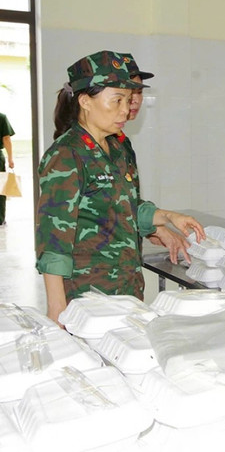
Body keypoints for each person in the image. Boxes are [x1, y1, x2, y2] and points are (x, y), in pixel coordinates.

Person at [36, 50, 205, 324]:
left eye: (127, 100)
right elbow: (53, 240)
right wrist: (57, 310)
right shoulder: (67, 154)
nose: (125, 110)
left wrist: (166, 217)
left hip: (126, 286)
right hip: (86, 294)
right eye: (116, 100)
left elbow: (123, 206)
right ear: (85, 101)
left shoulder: (116, 147)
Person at [119, 53, 196, 264]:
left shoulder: (120, 142)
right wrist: (161, 223)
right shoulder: (80, 149)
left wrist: (154, 228)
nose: (134, 100)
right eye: (126, 93)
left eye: (138, 92)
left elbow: (124, 202)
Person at [0, 111, 14, 226]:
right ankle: (0, 218)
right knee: (0, 188)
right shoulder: (1, 117)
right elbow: (6, 139)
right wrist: (10, 159)